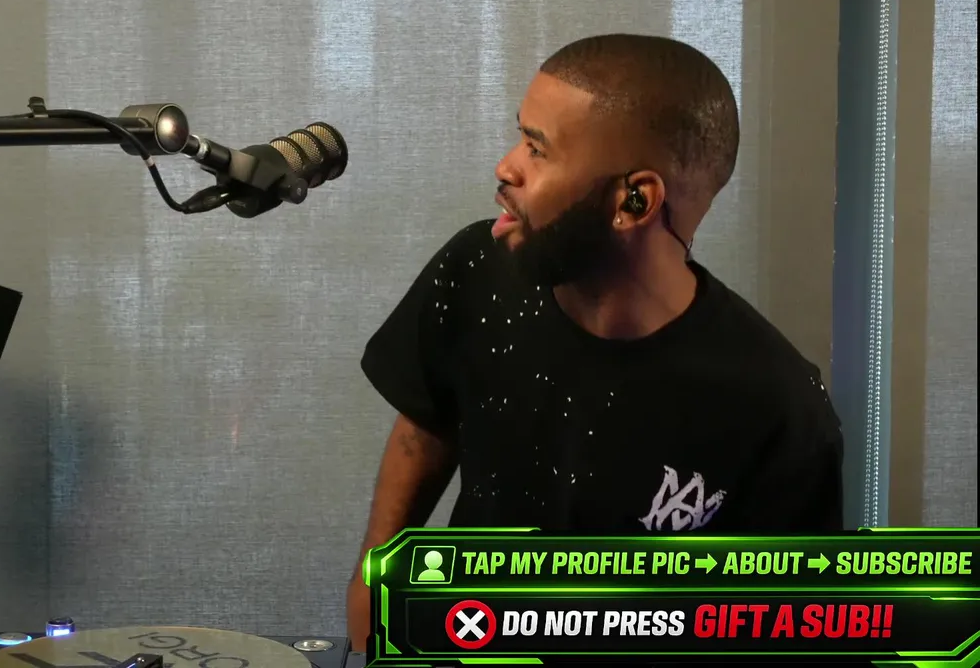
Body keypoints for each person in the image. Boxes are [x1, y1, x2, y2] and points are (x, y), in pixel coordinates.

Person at [346, 34, 844, 649]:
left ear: (634, 201)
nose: (506, 166)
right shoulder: (477, 270)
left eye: (537, 149)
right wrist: (373, 581)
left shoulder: (778, 411)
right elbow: (425, 426)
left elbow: (788, 628)